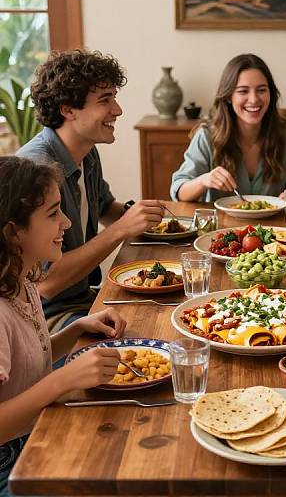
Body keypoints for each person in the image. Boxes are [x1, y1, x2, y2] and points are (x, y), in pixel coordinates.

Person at [0, 157, 126, 497]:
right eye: (53, 214)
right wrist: (62, 380)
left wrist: (74, 332)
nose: (67, 223)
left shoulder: (21, 280)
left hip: (35, 433)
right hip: (10, 465)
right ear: (13, 232)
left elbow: (22, 366)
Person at [17, 50, 165, 331]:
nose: (117, 110)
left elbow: (106, 207)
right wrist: (122, 229)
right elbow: (47, 283)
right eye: (105, 100)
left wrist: (151, 220)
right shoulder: (37, 168)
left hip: (85, 299)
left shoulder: (87, 152)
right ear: (68, 110)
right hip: (47, 319)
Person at [170, 53, 286, 202]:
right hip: (222, 225)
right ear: (228, 97)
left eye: (261, 90)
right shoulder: (207, 135)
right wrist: (204, 180)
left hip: (276, 225)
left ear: (271, 94)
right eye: (243, 91)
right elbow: (179, 191)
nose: (253, 99)